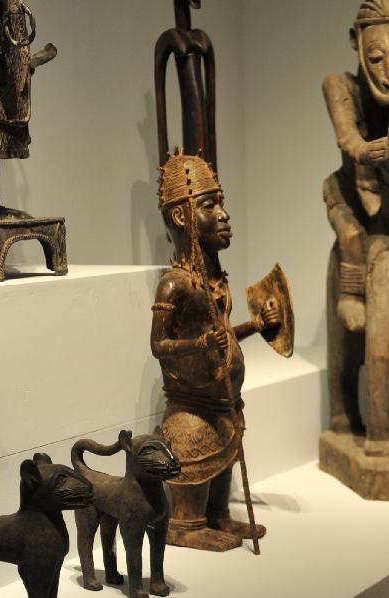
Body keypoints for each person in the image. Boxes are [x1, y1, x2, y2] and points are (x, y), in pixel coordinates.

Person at [150, 149, 279, 552]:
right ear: (180, 217)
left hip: (223, 405)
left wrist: (256, 327)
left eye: (221, 203)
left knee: (225, 458)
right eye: (209, 205)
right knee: (199, 457)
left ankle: (218, 516)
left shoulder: (215, 280)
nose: (223, 214)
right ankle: (186, 523)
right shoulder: (175, 284)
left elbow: (222, 333)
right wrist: (201, 343)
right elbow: (159, 345)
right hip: (192, 412)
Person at [322, 0, 389, 333]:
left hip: (388, 200)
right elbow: (347, 137)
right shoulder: (338, 85)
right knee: (350, 235)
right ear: (356, 43)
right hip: (348, 194)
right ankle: (349, 295)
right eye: (377, 59)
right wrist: (369, 151)